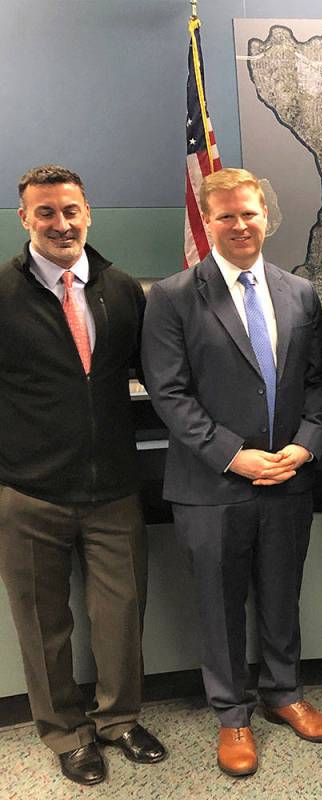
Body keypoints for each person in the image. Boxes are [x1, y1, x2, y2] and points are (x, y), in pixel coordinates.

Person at [141, 168, 322, 777]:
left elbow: (315, 381)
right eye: (225, 215)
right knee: (219, 605)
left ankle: (284, 694)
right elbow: (168, 393)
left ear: (265, 217)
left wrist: (306, 445)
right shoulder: (173, 296)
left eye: (249, 213)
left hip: (288, 477)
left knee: (282, 592)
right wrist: (232, 453)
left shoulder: (299, 293)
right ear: (208, 221)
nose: (240, 224)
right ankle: (232, 716)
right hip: (212, 485)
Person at [0, 165, 165, 786]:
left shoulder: (120, 289)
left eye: (70, 210)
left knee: (121, 615)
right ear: (25, 220)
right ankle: (66, 734)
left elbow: (156, 375)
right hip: (29, 492)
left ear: (88, 213)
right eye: (46, 213)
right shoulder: (1, 291)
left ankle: (119, 720)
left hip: (114, 490)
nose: (61, 223)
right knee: (44, 625)